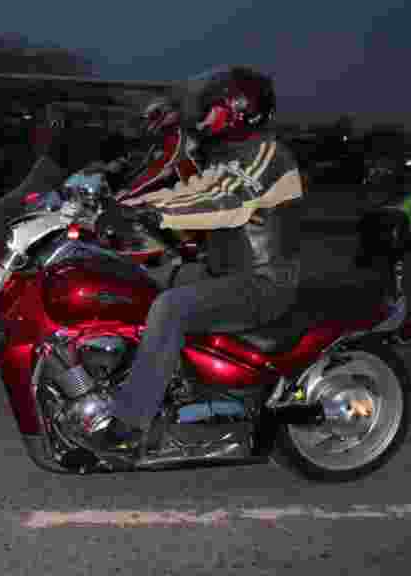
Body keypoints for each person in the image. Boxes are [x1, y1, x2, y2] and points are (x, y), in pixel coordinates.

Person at [88, 66, 306, 452]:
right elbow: (191, 190)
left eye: (212, 107)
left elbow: (227, 203)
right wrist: (120, 205)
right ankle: (145, 377)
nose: (204, 115)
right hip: (223, 272)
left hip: (263, 283)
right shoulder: (232, 155)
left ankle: (131, 423)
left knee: (170, 308)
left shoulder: (268, 154)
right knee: (135, 281)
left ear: (239, 109)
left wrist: (156, 215)